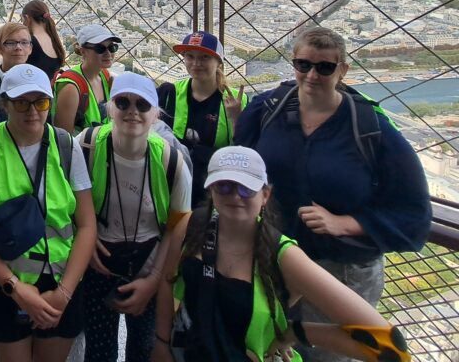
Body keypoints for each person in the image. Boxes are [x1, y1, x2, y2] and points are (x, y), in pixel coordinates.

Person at [235, 27, 430, 362]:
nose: (311, 74)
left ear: (343, 71)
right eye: (303, 64)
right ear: (293, 64)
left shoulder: (372, 127)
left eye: (324, 67)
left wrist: (347, 223)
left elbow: (414, 211)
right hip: (273, 261)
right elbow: (242, 169)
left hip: (337, 269)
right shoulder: (267, 109)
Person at [153, 146, 410, 362]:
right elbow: (168, 281)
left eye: (246, 189)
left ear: (265, 195)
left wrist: (295, 333)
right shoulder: (192, 227)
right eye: (224, 186)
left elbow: (388, 345)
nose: (235, 196)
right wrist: (161, 344)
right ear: (210, 190)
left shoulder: (285, 257)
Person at [0, 64, 96, 362]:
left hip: (61, 280)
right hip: (6, 282)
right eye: (21, 102)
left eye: (41, 102)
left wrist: (64, 294)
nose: (32, 111)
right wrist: (15, 288)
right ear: (5, 104)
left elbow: (86, 225)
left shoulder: (65, 146)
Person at [78, 72, 192, 362]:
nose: (132, 111)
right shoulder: (86, 146)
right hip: (98, 263)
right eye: (123, 102)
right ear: (110, 108)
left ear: (155, 114)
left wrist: (154, 279)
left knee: (141, 349)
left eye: (142, 105)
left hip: (148, 263)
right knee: (98, 350)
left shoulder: (171, 161)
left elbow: (180, 227)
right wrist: (85, 244)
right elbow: (68, 204)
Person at [157, 31, 246, 206]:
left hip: (212, 194)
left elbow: (243, 151)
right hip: (170, 187)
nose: (196, 63)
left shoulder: (237, 100)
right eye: (190, 56)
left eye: (205, 57)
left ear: (219, 62)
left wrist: (236, 117)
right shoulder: (169, 93)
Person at [52, 24, 119, 134]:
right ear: (83, 51)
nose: (108, 53)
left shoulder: (105, 76)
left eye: (112, 47)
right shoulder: (71, 87)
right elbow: (64, 137)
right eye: (100, 48)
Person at [21, 0, 65, 79]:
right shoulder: (55, 40)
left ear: (27, 18)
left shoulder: (30, 41)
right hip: (50, 90)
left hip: (33, 89)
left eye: (22, 20)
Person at [0, 21, 32, 89]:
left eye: (24, 43)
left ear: (30, 49)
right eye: (11, 43)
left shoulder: (38, 81)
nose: (18, 47)